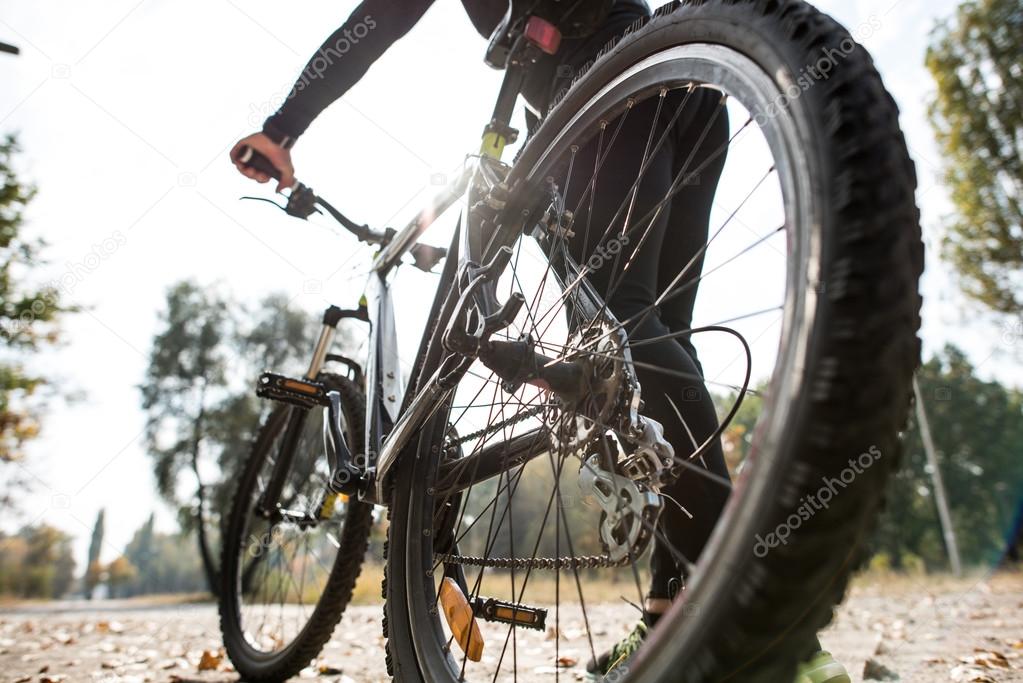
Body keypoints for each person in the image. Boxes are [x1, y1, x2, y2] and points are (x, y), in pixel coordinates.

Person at [230, 2, 850, 681]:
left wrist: (283, 127)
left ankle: (768, 633)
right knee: (653, 339)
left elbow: (378, 18)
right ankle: (675, 611)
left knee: (629, 331)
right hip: (680, 90)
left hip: (602, 91)